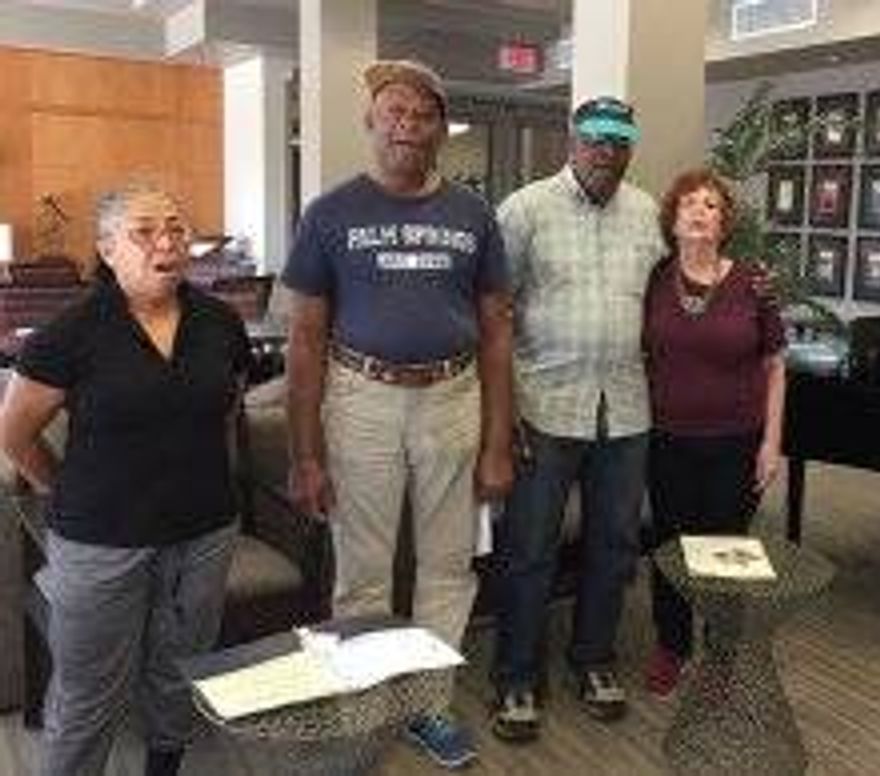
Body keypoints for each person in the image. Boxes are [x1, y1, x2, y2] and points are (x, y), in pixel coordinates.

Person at [282, 59, 513, 769]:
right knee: (364, 573)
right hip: (362, 401)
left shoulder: (473, 214)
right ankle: (366, 702)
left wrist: (499, 440)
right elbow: (305, 337)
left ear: (442, 128)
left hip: (453, 396)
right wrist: (305, 453)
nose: (408, 125)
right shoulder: (330, 213)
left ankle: (426, 705)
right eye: (394, 112)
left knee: (448, 569)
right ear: (371, 123)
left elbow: (498, 329)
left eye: (423, 114)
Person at [0, 183, 251, 776]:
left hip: (205, 530)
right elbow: (14, 433)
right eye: (144, 231)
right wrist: (56, 489)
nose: (166, 242)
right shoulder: (70, 331)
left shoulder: (218, 321)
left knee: (179, 672)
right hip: (99, 541)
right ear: (108, 248)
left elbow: (228, 406)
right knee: (89, 695)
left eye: (176, 229)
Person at [490, 96, 663, 742]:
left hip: (624, 410)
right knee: (529, 551)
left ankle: (593, 659)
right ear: (572, 140)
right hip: (544, 407)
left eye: (619, 141)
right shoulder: (525, 209)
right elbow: (496, 315)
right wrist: (502, 412)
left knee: (614, 549)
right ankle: (515, 674)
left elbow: (673, 295)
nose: (606, 152)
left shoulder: (647, 212)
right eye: (595, 139)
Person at [641, 169, 786, 697]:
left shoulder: (753, 283)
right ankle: (671, 646)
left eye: (712, 206)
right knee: (671, 546)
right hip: (667, 438)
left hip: (736, 440)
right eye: (689, 205)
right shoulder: (655, 278)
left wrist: (772, 443)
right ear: (673, 220)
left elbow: (775, 365)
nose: (700, 212)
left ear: (724, 223)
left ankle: (721, 653)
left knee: (725, 552)